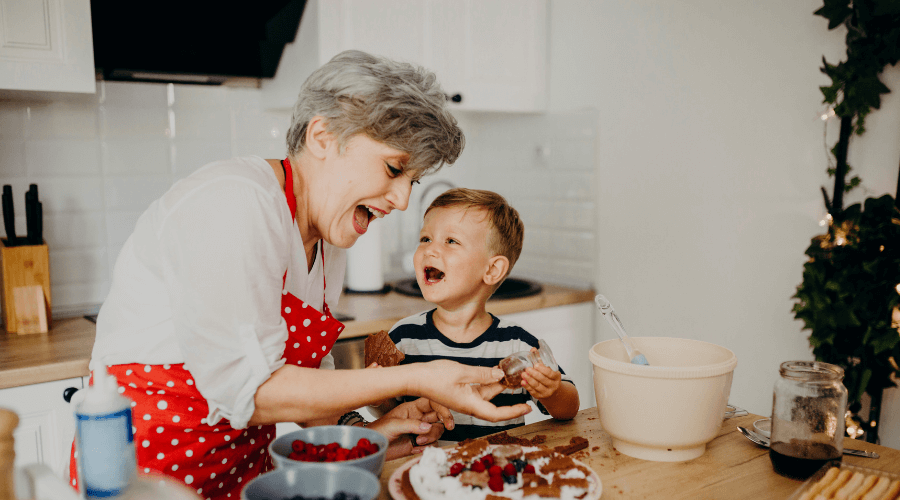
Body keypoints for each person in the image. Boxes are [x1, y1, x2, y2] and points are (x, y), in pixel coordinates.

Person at [68, 51, 530, 499]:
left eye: (411, 180)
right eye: (394, 168)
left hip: (245, 475)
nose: (403, 199)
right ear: (323, 136)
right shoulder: (234, 204)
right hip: (146, 480)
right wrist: (419, 377)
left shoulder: (327, 240)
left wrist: (370, 435)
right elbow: (254, 391)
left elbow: (307, 385)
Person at [379, 188, 580, 441]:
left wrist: (551, 391)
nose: (430, 250)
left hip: (497, 472)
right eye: (426, 239)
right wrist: (380, 395)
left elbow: (570, 408)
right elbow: (387, 413)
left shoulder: (516, 344)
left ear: (493, 270)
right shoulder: (402, 338)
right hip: (424, 473)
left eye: (451, 241)